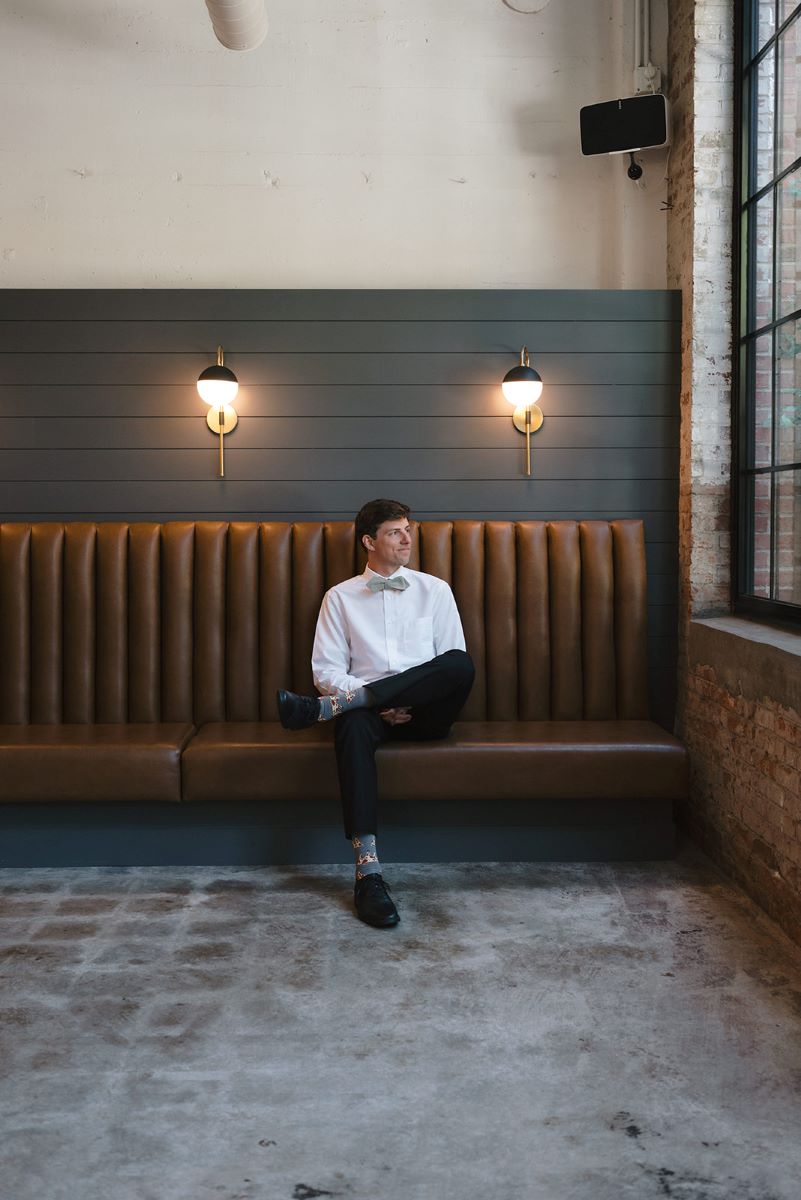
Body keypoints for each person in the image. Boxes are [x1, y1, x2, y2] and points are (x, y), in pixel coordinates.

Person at [276, 498, 475, 929]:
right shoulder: (339, 598)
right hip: (368, 715)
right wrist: (376, 700)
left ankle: (324, 711)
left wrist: (404, 700)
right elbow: (326, 669)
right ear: (369, 541)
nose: (407, 538)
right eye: (394, 531)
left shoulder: (435, 590)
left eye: (408, 529)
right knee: (351, 725)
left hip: (427, 716)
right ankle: (368, 874)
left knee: (461, 663)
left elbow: (450, 664)